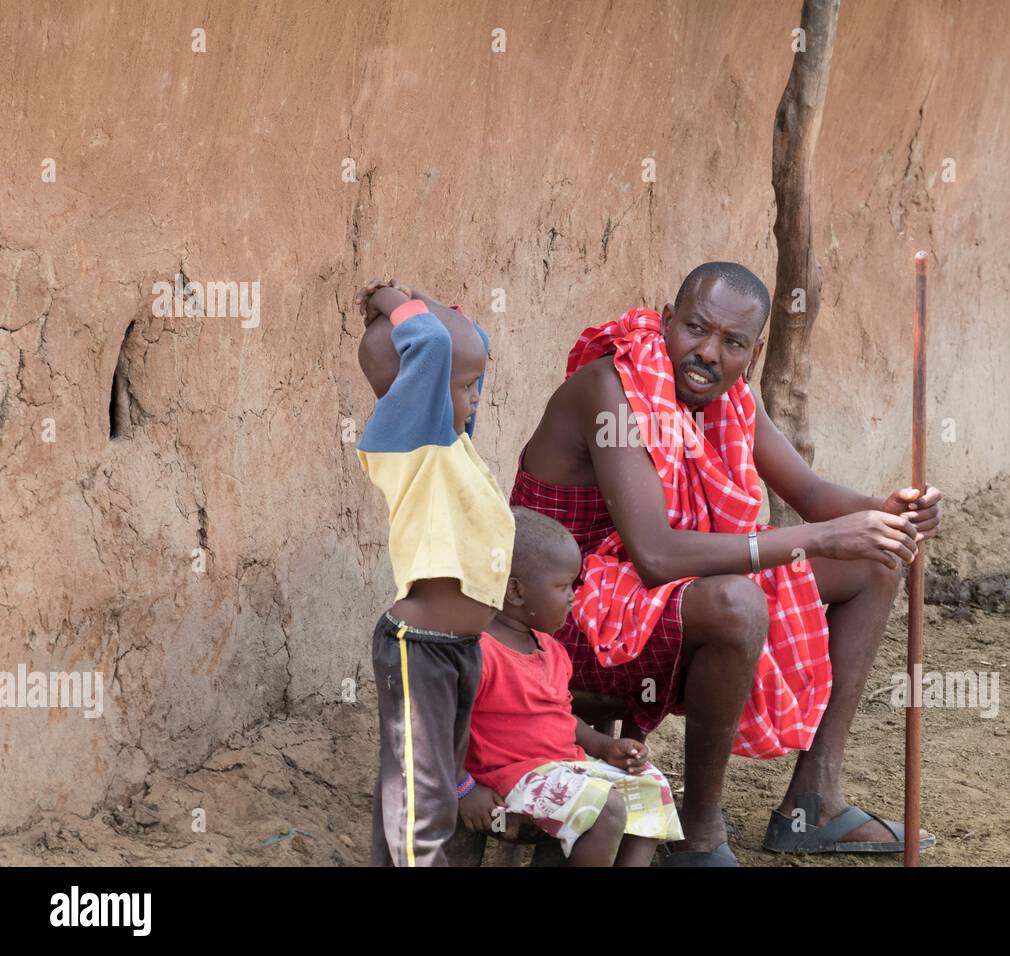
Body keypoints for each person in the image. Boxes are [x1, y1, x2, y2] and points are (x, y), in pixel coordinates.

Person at [510, 262, 942, 864]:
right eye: (695, 328)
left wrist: (885, 514)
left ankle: (813, 801)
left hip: (646, 597)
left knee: (873, 564)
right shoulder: (608, 390)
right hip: (563, 615)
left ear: (754, 352)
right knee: (739, 603)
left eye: (732, 343)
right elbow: (657, 554)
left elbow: (812, 495)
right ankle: (699, 831)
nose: (707, 353)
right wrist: (819, 539)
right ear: (666, 320)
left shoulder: (730, 400)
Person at [355, 278, 515, 866]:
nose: (477, 397)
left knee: (425, 784)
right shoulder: (409, 443)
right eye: (467, 388)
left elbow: (467, 348)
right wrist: (394, 300)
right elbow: (432, 347)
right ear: (416, 389)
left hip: (457, 650)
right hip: (416, 650)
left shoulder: (451, 444)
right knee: (423, 802)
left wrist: (442, 306)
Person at [458, 506, 683, 866]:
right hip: (509, 780)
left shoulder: (551, 650)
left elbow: (562, 718)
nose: (573, 596)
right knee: (606, 808)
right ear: (516, 591)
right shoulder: (479, 652)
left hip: (562, 767)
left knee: (650, 787)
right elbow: (443, 728)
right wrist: (463, 788)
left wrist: (605, 746)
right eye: (564, 586)